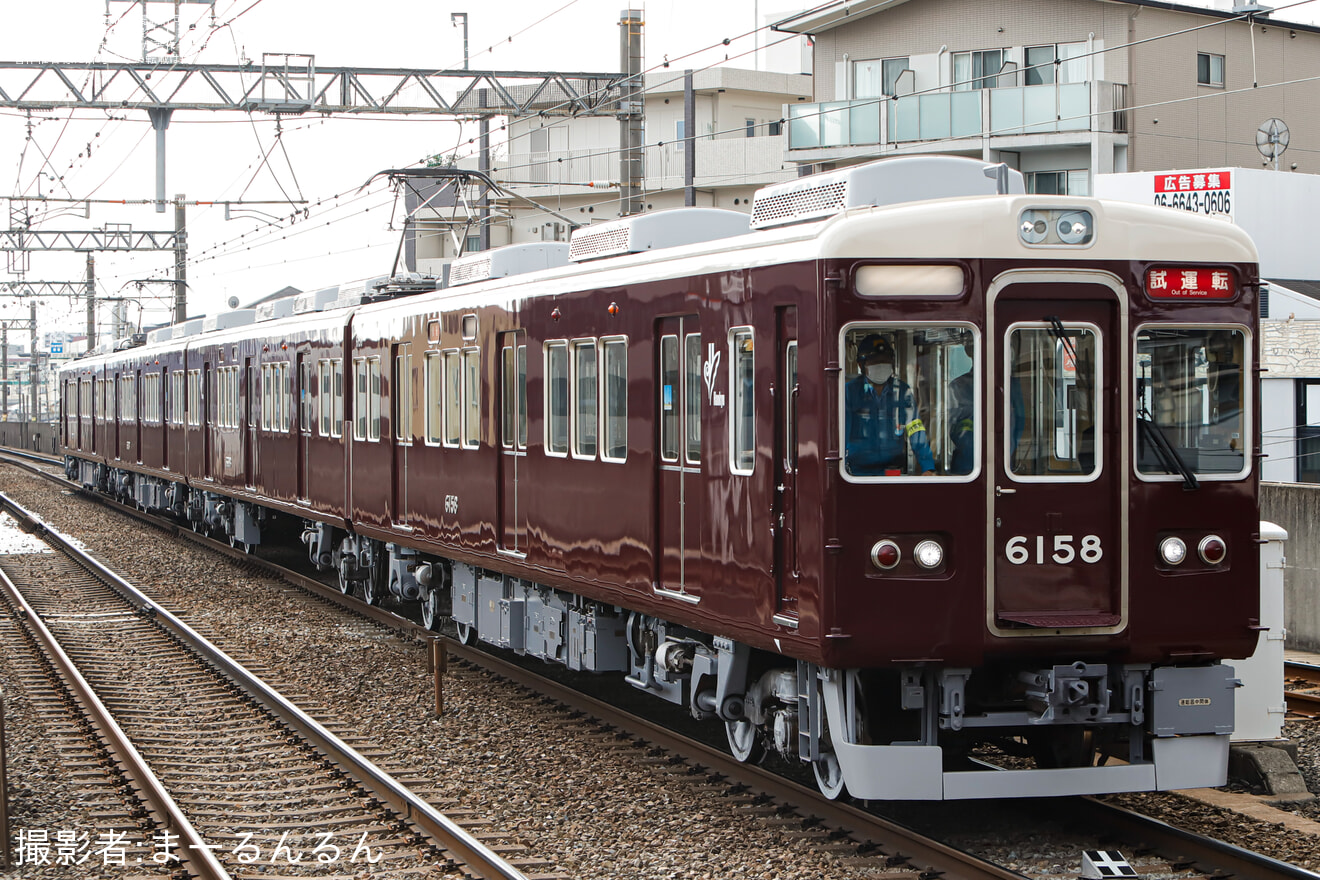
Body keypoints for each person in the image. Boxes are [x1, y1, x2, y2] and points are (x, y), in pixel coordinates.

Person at [844, 334, 935, 476]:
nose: (881, 365)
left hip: (893, 471)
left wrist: (927, 467)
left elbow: (915, 429)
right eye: (875, 361)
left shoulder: (902, 391)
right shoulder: (849, 392)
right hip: (856, 474)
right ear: (861, 365)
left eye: (885, 360)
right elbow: (840, 434)